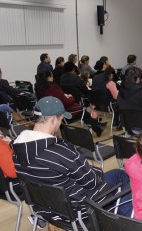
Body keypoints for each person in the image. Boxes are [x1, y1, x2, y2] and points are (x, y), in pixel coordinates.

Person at [11, 96, 133, 225]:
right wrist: (94, 170)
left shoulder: (17, 150)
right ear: (53, 119)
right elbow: (92, 182)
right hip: (78, 212)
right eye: (60, 120)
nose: (60, 124)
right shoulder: (61, 151)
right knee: (120, 175)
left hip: (46, 209)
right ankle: (123, 225)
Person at [35, 71, 106, 136]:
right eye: (52, 76)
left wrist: (64, 96)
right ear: (49, 78)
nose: (53, 78)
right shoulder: (53, 88)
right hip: (65, 111)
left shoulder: (39, 88)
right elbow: (65, 102)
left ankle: (98, 126)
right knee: (85, 111)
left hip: (49, 112)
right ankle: (98, 127)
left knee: (85, 113)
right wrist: (71, 97)